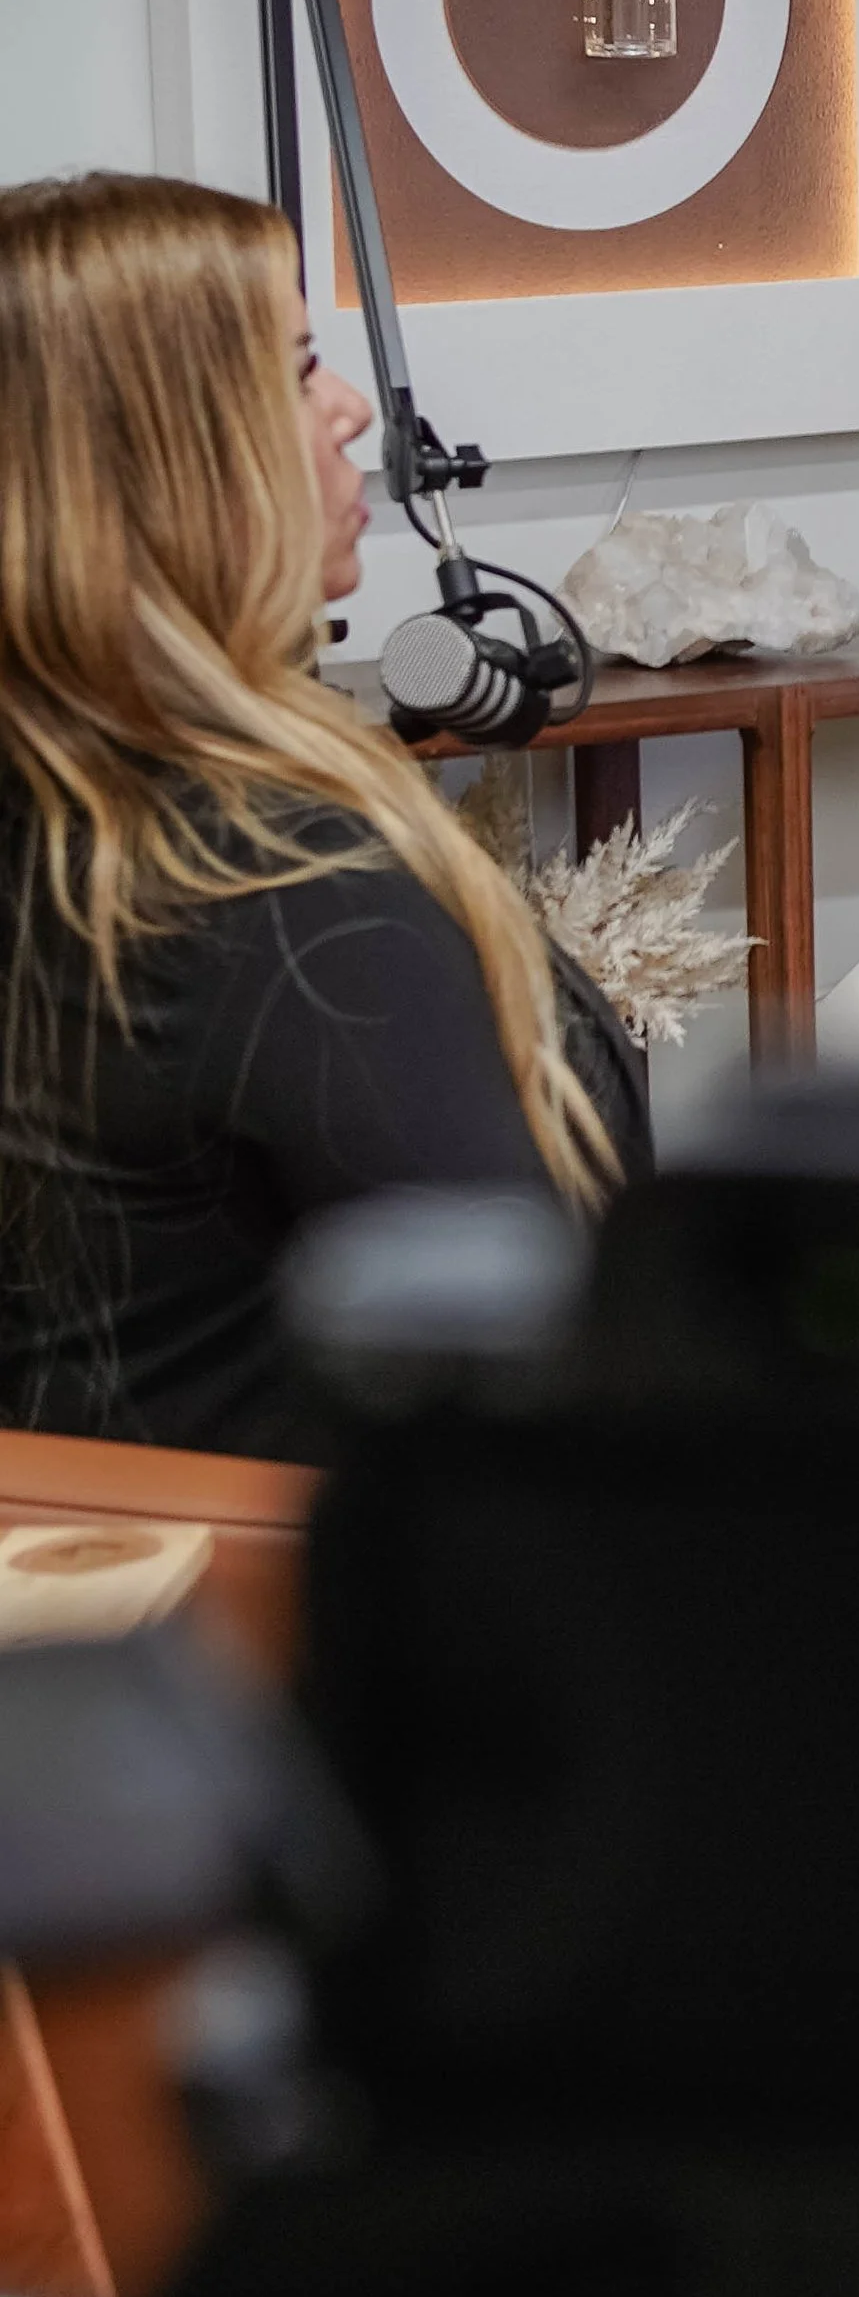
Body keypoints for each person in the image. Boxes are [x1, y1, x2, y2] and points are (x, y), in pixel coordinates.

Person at [0, 172, 648, 1460]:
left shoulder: (71, 826)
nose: (351, 408)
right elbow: (529, 1393)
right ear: (165, 457)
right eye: (299, 370)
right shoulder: (285, 901)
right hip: (303, 1624)